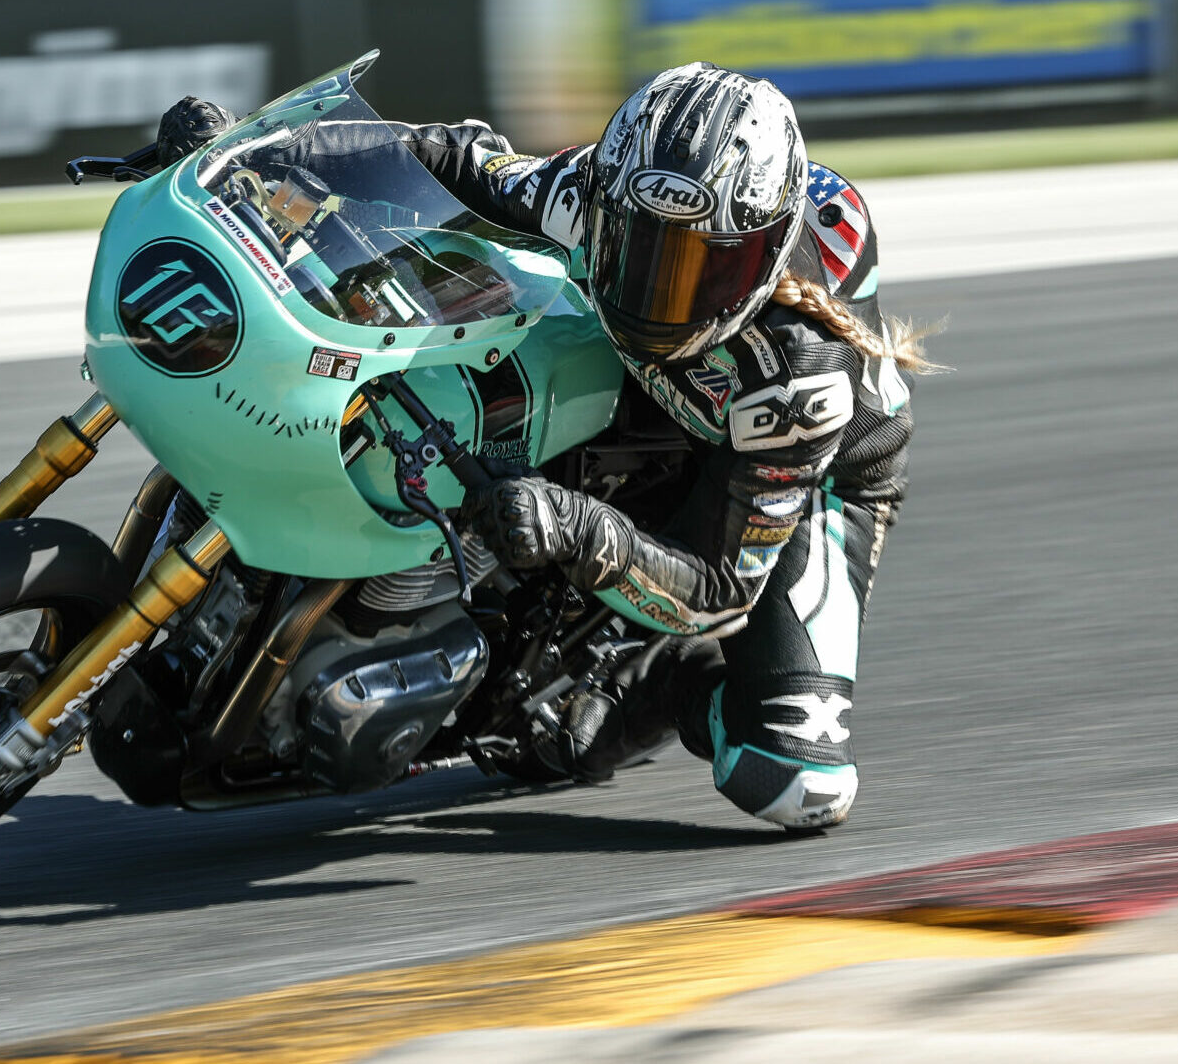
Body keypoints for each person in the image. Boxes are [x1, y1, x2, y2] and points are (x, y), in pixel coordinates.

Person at [157, 63, 933, 831]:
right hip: (640, 395)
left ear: (761, 259)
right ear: (605, 197)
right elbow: (436, 156)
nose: (659, 286)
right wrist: (251, 157)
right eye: (640, 243)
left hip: (797, 477)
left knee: (791, 779)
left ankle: (650, 690)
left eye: (704, 266)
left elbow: (720, 583)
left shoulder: (795, 380)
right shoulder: (581, 192)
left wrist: (579, 527)